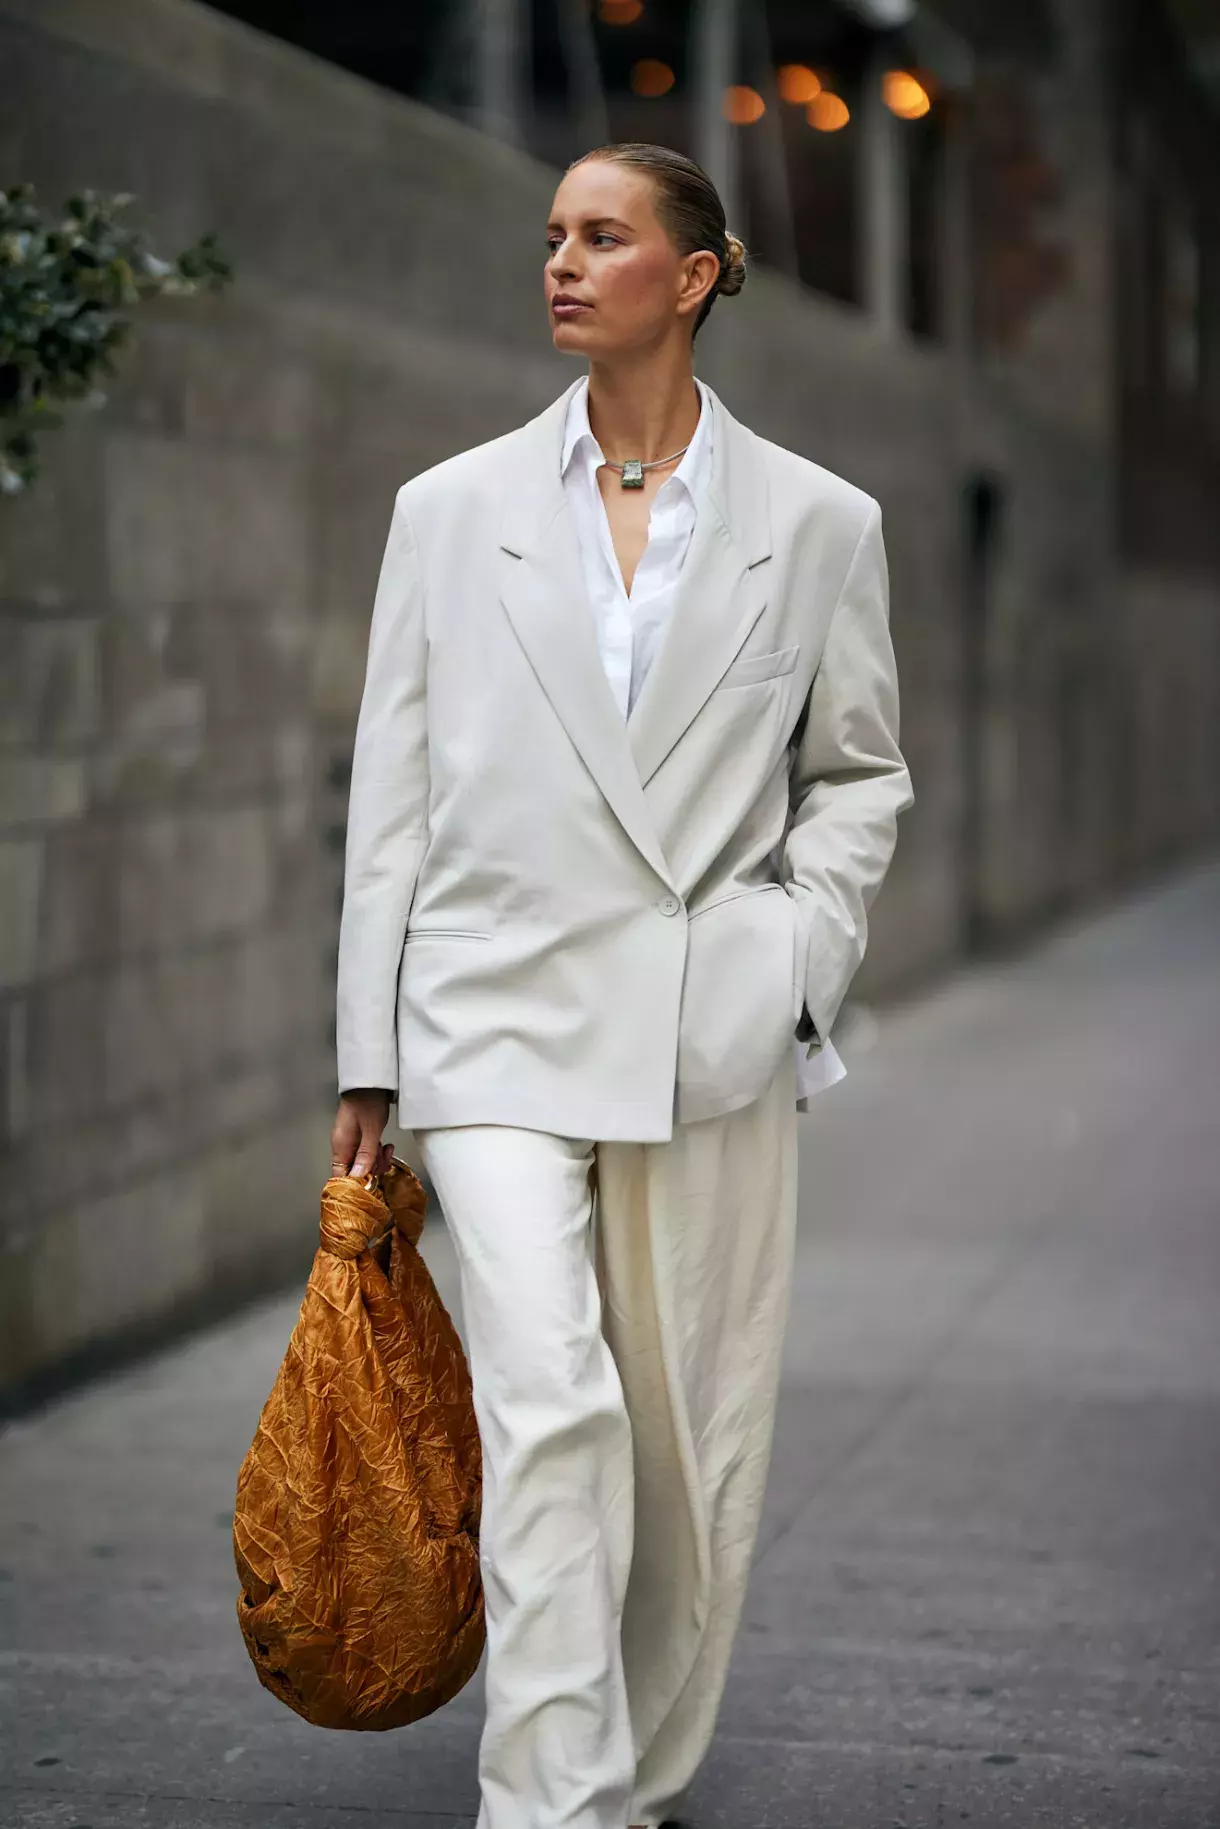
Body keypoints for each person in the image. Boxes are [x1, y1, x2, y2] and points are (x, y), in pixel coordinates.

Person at [330, 141, 913, 1829]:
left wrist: (797, 953)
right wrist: (369, 1052)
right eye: (554, 237)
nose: (563, 264)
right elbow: (392, 796)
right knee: (549, 1400)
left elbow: (859, 773)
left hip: (699, 1021)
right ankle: (551, 1801)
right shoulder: (449, 512)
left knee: (683, 1437)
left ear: (698, 274)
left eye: (605, 236)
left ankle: (632, 1765)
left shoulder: (820, 524)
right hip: (490, 1015)